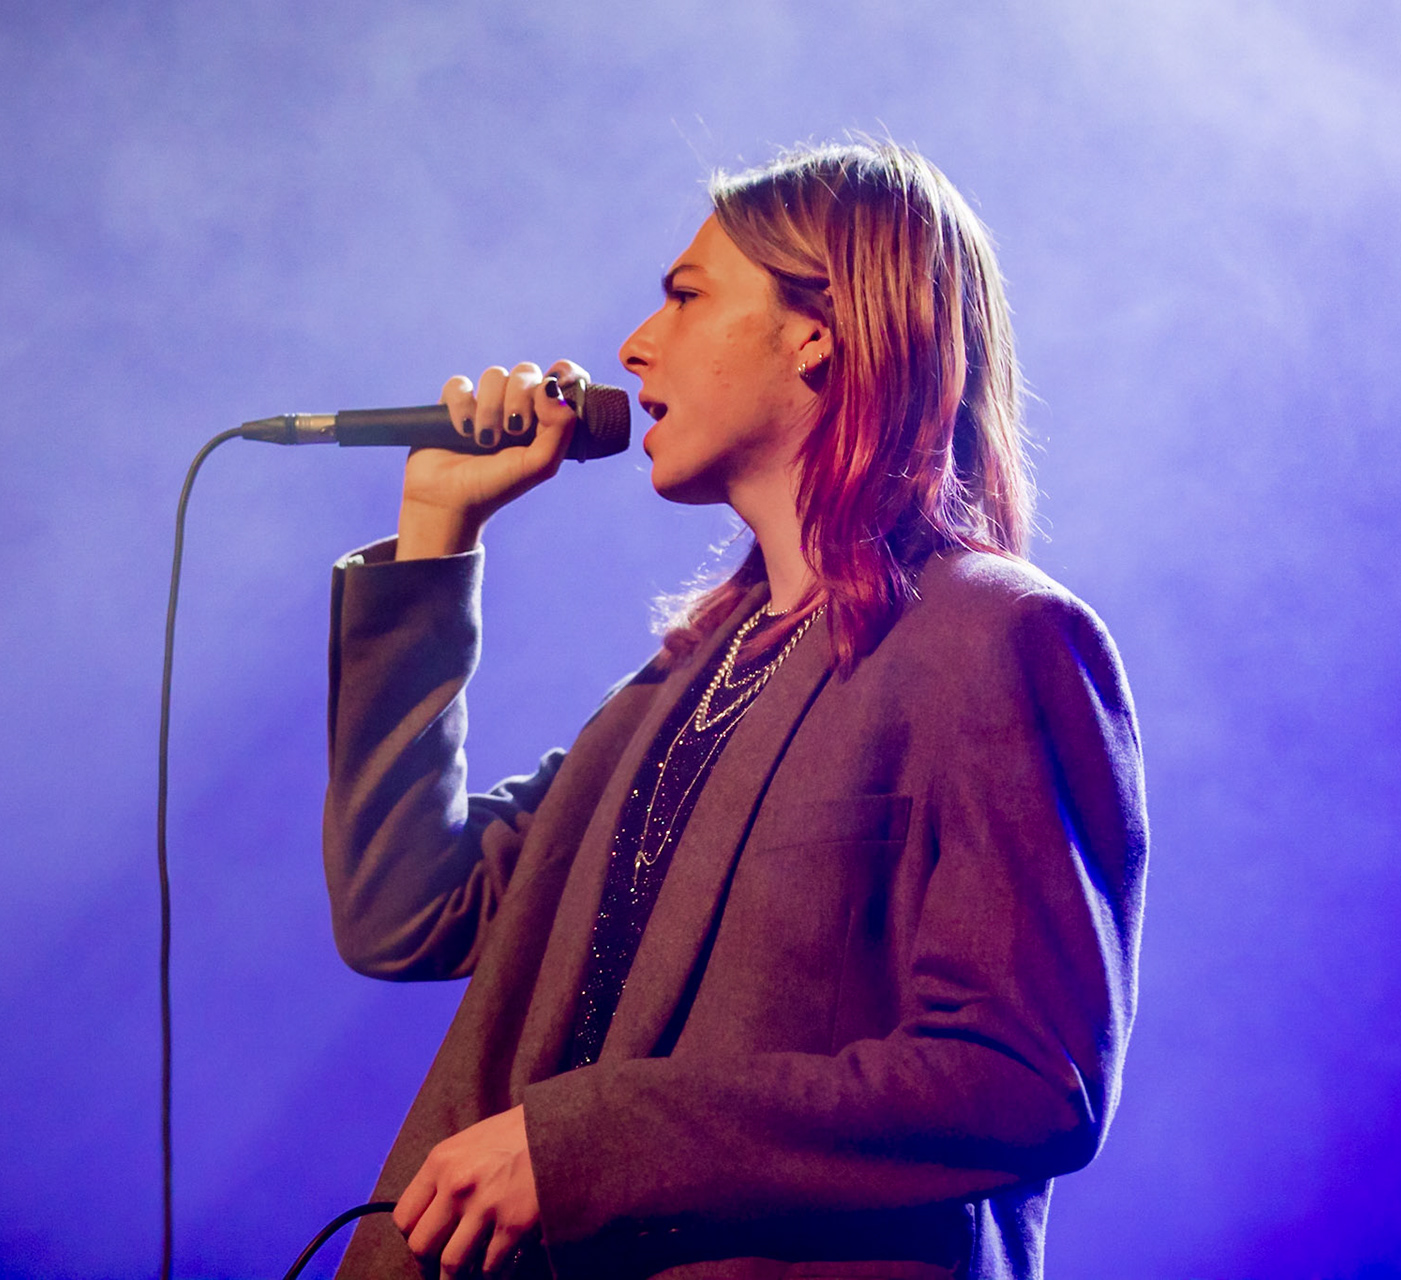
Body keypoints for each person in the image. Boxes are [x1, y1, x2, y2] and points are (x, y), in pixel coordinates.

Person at [321, 141, 1147, 1280]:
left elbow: (1025, 1075)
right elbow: (406, 911)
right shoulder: (678, 686)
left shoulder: (998, 637)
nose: (633, 344)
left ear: (819, 328)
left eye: (687, 293)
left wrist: (587, 1143)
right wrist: (435, 532)